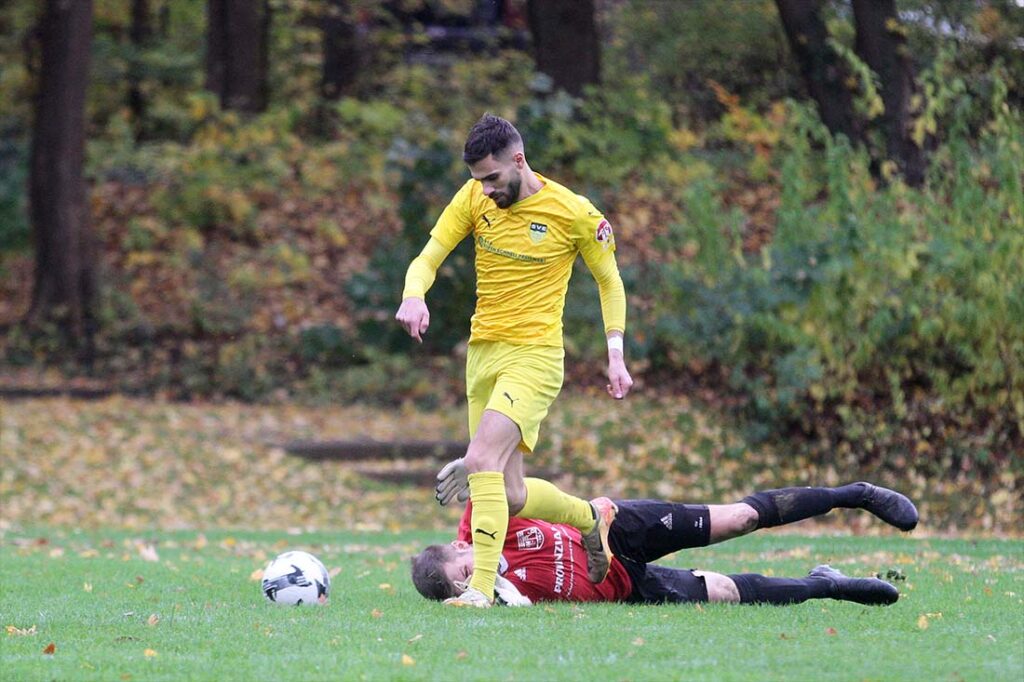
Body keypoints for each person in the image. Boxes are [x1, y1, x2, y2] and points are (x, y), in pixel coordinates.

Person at [395, 113, 633, 607]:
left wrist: (615, 353)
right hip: (483, 355)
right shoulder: (473, 198)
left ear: (518, 160)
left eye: (491, 178)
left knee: (480, 460)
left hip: (535, 356)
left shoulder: (575, 213)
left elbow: (609, 281)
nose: (484, 190)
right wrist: (414, 295)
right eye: (477, 180)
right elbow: (429, 255)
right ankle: (591, 518)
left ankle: (480, 589)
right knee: (510, 494)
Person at [410, 480, 919, 607]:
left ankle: (855, 495)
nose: (473, 581)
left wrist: (476, 460)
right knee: (726, 593)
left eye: (464, 572)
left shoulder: (483, 515)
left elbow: (504, 473)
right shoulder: (493, 599)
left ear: (459, 546)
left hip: (618, 527)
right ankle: (827, 585)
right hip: (626, 585)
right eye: (462, 587)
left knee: (740, 518)